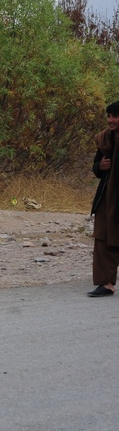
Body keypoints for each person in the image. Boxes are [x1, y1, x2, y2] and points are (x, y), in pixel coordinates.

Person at [89, 101, 119, 296]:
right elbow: (96, 167)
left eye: (114, 116)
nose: (110, 120)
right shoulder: (105, 140)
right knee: (103, 236)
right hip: (108, 197)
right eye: (108, 116)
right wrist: (100, 166)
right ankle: (105, 283)